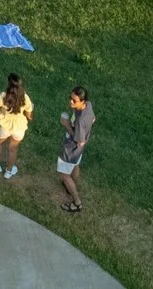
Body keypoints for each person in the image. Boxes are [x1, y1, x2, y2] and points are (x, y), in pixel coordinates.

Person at [0, 73, 33, 180]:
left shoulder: (3, 96)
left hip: (4, 126)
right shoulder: (25, 97)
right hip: (19, 128)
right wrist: (29, 117)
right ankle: (9, 172)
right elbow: (29, 113)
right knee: (13, 149)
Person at [54, 84, 94, 212]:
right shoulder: (88, 106)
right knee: (75, 165)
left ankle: (77, 202)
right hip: (78, 153)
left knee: (63, 175)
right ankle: (71, 185)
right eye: (70, 98)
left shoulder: (81, 121)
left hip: (71, 150)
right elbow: (93, 119)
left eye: (74, 101)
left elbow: (80, 141)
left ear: (82, 101)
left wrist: (66, 125)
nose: (71, 102)